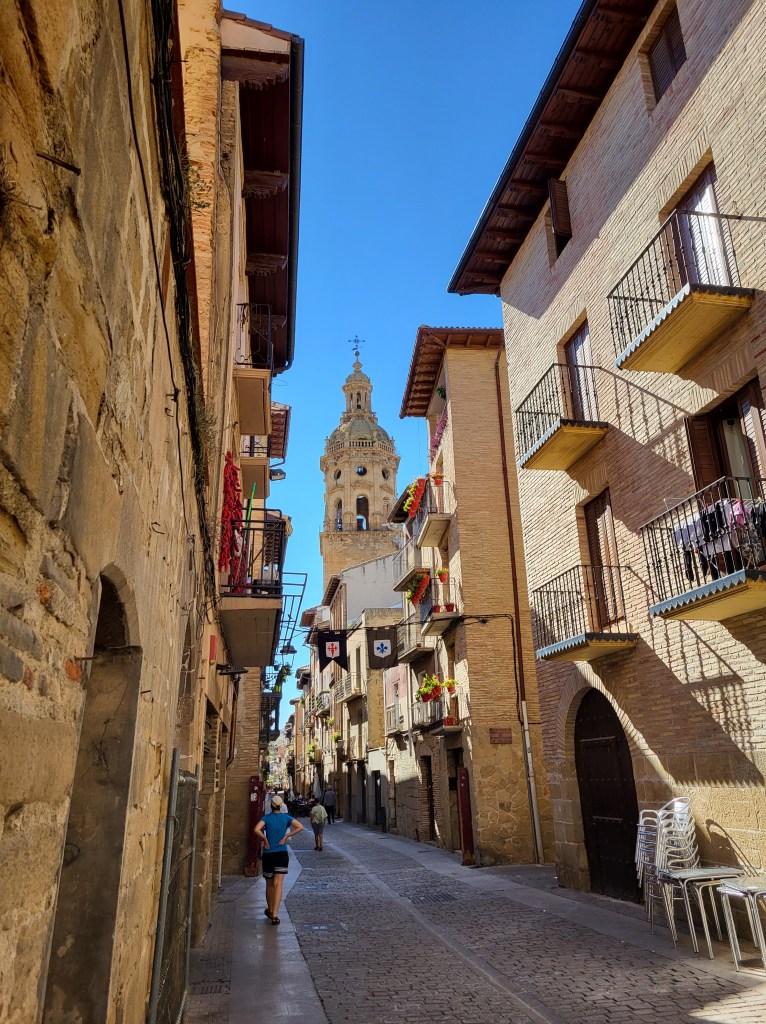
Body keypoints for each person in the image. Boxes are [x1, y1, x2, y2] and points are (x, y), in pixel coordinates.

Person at [254, 795, 304, 925]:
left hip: (269, 854)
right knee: (278, 884)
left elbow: (256, 829)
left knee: (269, 884)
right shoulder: (286, 818)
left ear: (271, 806)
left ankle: (270, 910)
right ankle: (275, 915)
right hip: (282, 853)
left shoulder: (266, 818)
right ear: (281, 806)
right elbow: (300, 827)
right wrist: (287, 836)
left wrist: (265, 839)